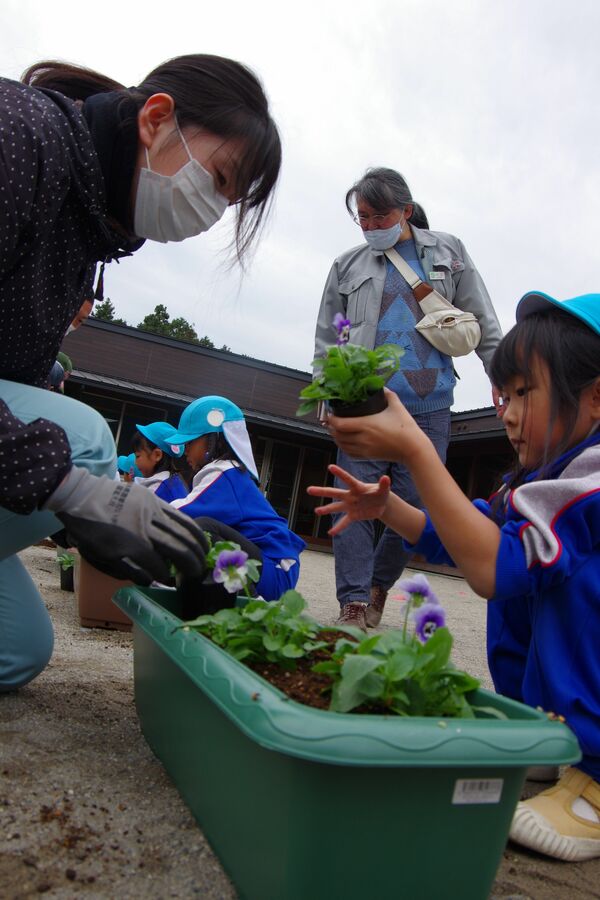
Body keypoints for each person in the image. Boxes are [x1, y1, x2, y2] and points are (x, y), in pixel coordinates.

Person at [0, 54, 281, 691]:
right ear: (155, 119)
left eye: (229, 200)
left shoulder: (84, 227)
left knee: (16, 647)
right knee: (84, 440)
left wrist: (96, 522)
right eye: (219, 179)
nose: (212, 210)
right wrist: (70, 488)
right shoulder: (19, 136)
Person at [308, 292, 600, 861]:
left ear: (596, 397)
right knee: (514, 547)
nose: (507, 413)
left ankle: (595, 780)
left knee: (548, 570)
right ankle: (555, 734)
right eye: (504, 395)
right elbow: (470, 537)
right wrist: (389, 508)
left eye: (525, 393)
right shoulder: (541, 480)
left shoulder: (589, 480)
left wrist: (417, 450)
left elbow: (494, 568)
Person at [313, 167, 503, 631]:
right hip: (364, 403)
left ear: (406, 211)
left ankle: (379, 585)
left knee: (417, 505)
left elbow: (481, 317)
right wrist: (325, 389)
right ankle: (353, 602)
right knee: (355, 499)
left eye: (379, 217)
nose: (370, 226)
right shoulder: (346, 266)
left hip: (431, 404)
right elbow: (328, 335)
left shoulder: (448, 251)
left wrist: (503, 375)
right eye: (362, 218)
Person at [169, 396, 306, 606]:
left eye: (190, 442)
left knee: (202, 528)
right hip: (269, 566)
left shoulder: (225, 472)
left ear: (214, 439)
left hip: (275, 571)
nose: (185, 450)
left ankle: (254, 602)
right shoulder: (227, 473)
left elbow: (180, 513)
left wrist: (135, 506)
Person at [132, 422, 189, 503]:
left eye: (138, 456)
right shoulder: (173, 482)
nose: (135, 462)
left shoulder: (155, 491)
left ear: (157, 455)